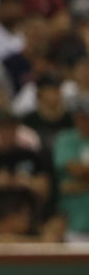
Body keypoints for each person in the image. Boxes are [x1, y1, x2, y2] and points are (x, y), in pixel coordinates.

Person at [53, 96, 89, 241]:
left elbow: (76, 176)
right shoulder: (65, 139)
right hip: (74, 223)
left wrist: (78, 184)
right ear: (75, 118)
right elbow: (74, 169)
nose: (86, 122)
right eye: (82, 118)